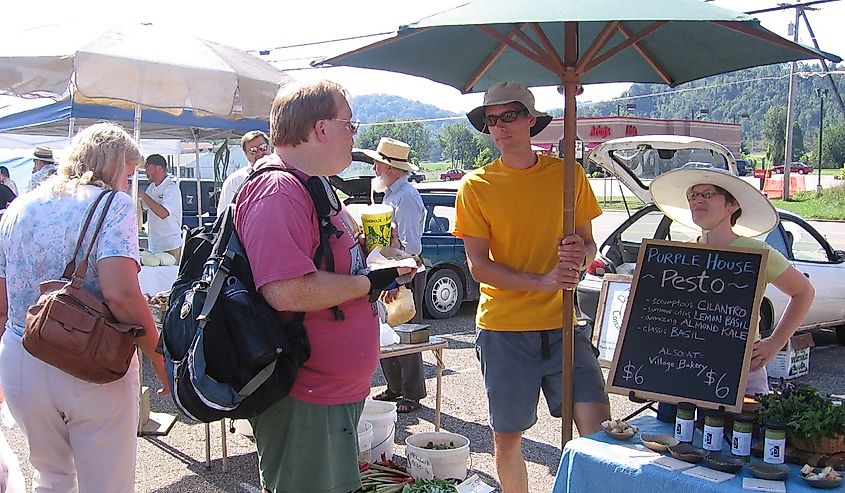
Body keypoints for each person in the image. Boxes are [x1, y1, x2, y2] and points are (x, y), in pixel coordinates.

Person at [235, 79, 412, 493]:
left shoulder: (312, 184)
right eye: (350, 124)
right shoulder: (277, 190)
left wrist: (371, 258)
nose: (354, 135)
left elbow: (320, 264)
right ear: (321, 129)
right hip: (305, 397)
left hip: (327, 393)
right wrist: (367, 283)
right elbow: (286, 290)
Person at [454, 81, 610, 493]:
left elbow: (588, 242)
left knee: (599, 433)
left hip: (565, 325)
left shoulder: (567, 176)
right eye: (492, 120)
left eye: (509, 116)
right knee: (507, 437)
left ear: (531, 120)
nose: (501, 127)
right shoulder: (476, 186)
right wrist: (541, 282)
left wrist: (580, 250)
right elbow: (479, 267)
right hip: (504, 329)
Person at [0, 122, 169, 492]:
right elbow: (121, 295)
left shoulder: (18, 207)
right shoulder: (113, 205)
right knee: (107, 484)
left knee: (51, 478)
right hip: (91, 358)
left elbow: (2, 300)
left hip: (21, 354)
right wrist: (161, 360)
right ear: (111, 166)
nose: (128, 184)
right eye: (128, 175)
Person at [650, 168, 815, 394]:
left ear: (733, 205)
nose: (697, 199)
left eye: (707, 194)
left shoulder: (757, 252)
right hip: (683, 367)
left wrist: (775, 343)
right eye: (693, 195)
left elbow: (803, 292)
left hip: (743, 373)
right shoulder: (681, 253)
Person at [364, 137, 427, 414]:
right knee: (387, 329)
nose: (375, 168)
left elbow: (410, 247)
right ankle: (396, 387)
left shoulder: (407, 197)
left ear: (389, 167)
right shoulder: (392, 194)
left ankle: (411, 393)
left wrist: (398, 279)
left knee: (407, 331)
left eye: (378, 163)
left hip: (405, 270)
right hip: (392, 268)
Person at [139, 153, 183, 262]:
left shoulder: (171, 188)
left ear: (158, 167)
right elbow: (143, 207)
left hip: (170, 246)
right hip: (154, 245)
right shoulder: (152, 187)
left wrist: (143, 195)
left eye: (147, 168)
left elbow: (163, 213)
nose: (146, 173)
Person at [216, 130, 271, 216]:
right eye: (253, 150)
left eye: (263, 147)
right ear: (245, 154)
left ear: (270, 147)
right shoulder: (234, 181)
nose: (260, 153)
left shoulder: (282, 176)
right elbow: (223, 216)